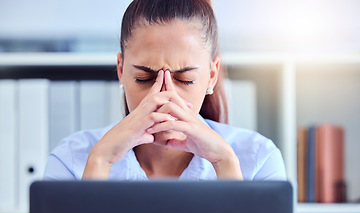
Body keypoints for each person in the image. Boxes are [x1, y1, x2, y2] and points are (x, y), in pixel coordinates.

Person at [44, 0, 286, 181]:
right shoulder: (70, 160)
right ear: (121, 70)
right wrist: (99, 161)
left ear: (211, 75)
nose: (163, 98)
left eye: (185, 79)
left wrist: (225, 163)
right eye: (144, 78)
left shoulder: (258, 160)